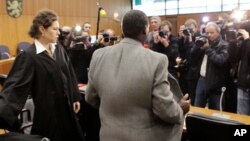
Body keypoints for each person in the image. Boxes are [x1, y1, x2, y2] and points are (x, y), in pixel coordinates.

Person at [85, 10, 190, 141]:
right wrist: (180, 109)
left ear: (122, 30)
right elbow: (164, 109)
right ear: (146, 30)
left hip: (108, 135)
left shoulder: (99, 55)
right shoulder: (157, 60)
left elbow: (90, 97)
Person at [0, 9, 85, 141]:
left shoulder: (59, 48)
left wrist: (74, 96)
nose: (59, 33)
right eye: (55, 29)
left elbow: (69, 72)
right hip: (48, 115)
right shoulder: (29, 56)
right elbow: (14, 88)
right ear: (42, 30)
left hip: (67, 111)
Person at [193, 22, 230, 110]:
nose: (209, 35)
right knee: (197, 109)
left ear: (218, 32)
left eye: (211, 33)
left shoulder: (224, 45)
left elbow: (220, 61)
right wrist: (197, 46)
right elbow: (192, 57)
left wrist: (207, 49)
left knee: (216, 112)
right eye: (207, 33)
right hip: (202, 80)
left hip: (216, 84)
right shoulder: (204, 42)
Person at [228, 28, 250, 115]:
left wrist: (247, 40)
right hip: (243, 85)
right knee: (241, 117)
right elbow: (234, 59)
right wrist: (232, 42)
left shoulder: (247, 41)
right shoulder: (245, 42)